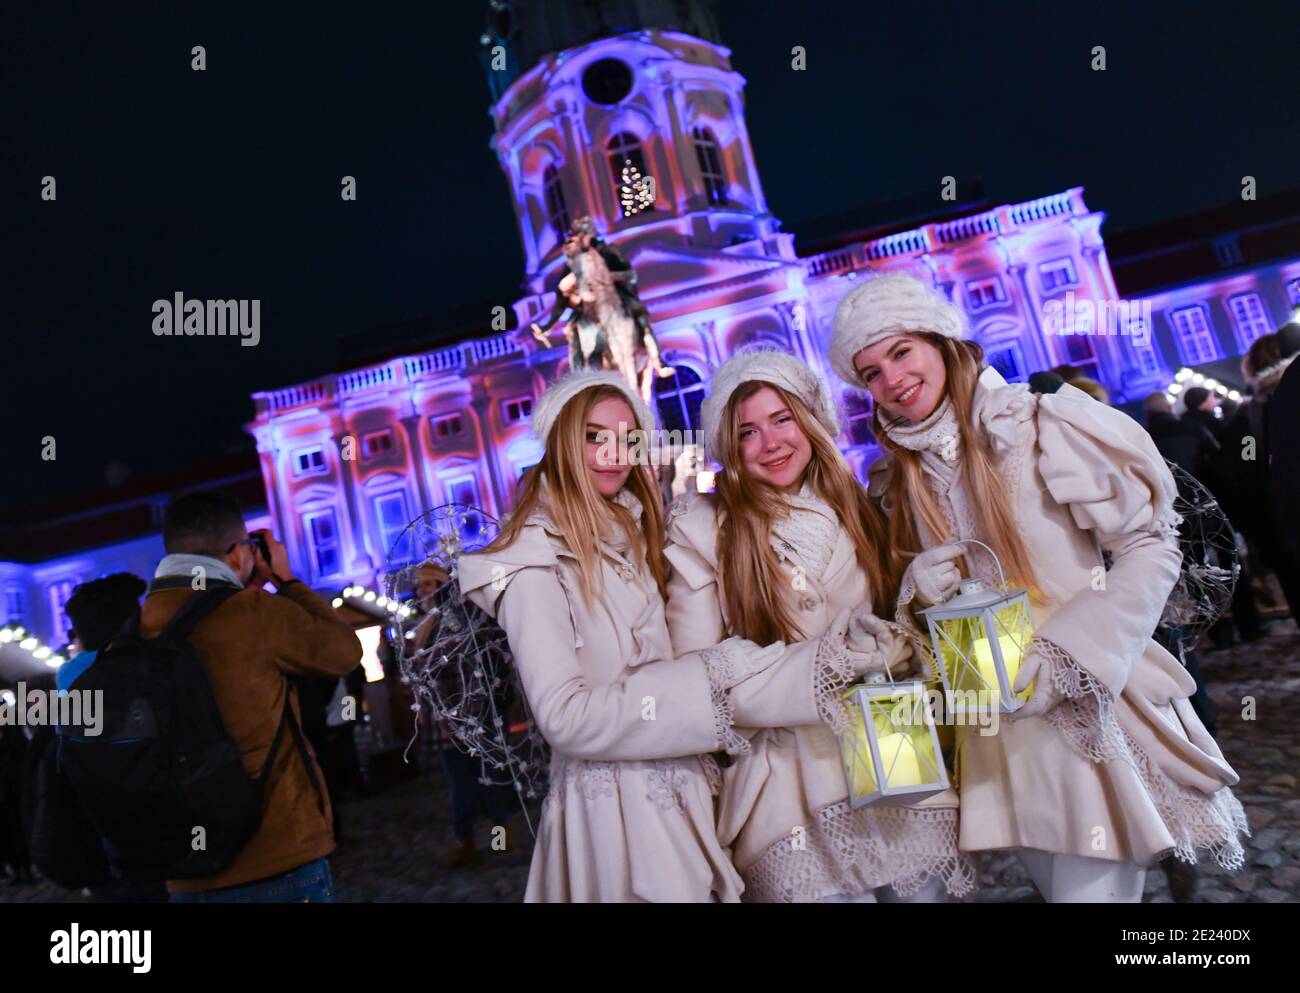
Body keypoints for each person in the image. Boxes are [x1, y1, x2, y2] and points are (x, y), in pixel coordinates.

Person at [829, 272, 1247, 902]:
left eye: (900, 352)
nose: (890, 380)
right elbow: (925, 633)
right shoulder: (899, 482)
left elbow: (1152, 544)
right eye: (870, 372)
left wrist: (1071, 655)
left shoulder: (1042, 424)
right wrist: (917, 594)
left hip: (1088, 715)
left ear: (940, 342)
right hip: (1000, 738)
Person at [457, 369, 887, 902]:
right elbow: (565, 718)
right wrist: (710, 676)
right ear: (562, 440)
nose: (613, 452)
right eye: (594, 436)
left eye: (627, 437)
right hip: (614, 810)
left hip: (683, 790)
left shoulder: (631, 536)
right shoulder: (531, 558)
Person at [664, 348, 970, 903]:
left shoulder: (854, 501)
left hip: (893, 744)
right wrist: (824, 667)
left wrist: (912, 595)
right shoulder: (703, 531)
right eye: (747, 432)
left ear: (809, 421)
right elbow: (700, 680)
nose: (771, 442)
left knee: (924, 895)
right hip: (789, 780)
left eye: (782, 420)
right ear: (727, 447)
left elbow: (894, 631)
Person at [141, 492, 361, 902]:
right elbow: (343, 651)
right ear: (236, 552)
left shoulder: (139, 626)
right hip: (277, 855)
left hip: (187, 872)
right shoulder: (254, 612)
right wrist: (287, 581)